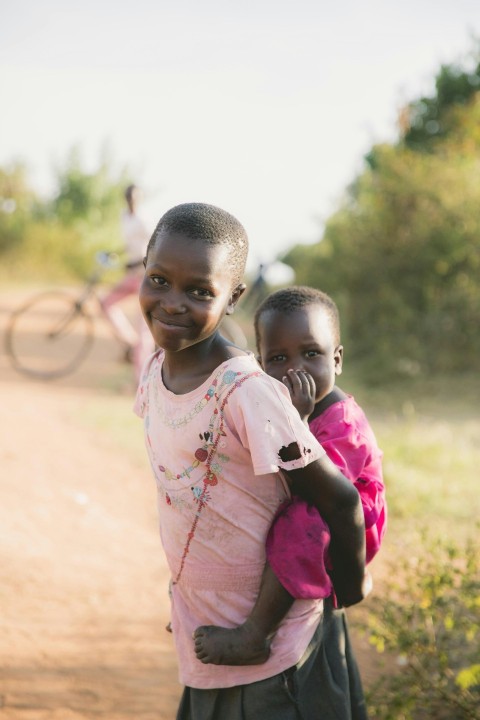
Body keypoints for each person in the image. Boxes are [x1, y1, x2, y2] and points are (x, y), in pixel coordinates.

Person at [134, 203, 368, 719]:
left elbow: (339, 498)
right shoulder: (155, 373)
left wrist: (348, 587)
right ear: (143, 268)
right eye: (159, 279)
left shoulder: (248, 393)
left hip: (281, 657)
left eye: (199, 291)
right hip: (210, 632)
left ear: (234, 297)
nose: (173, 303)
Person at [194, 285, 386, 720]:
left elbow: (324, 493)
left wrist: (294, 423)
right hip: (312, 512)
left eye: (311, 354)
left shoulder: (342, 422)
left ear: (336, 359)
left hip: (349, 525)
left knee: (298, 523)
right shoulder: (274, 402)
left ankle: (255, 633)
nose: (295, 371)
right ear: (261, 364)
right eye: (278, 359)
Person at [101, 184, 154, 381]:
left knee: (143, 328)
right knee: (105, 303)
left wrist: (148, 266)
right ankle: (130, 342)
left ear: (139, 198)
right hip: (131, 272)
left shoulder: (144, 219)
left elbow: (154, 243)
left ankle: (142, 380)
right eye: (129, 197)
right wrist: (116, 254)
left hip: (143, 274)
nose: (132, 200)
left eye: (135, 197)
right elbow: (130, 245)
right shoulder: (125, 217)